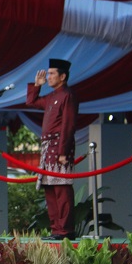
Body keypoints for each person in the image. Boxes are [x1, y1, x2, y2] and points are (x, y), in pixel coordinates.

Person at [26, 58, 79, 240]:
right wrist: (37, 85)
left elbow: (68, 125)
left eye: (51, 74)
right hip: (48, 148)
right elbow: (31, 102)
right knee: (50, 190)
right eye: (47, 74)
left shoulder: (67, 95)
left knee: (62, 190)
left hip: (59, 147)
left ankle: (66, 230)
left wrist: (63, 152)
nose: (48, 77)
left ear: (62, 76)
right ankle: (56, 229)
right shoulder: (51, 97)